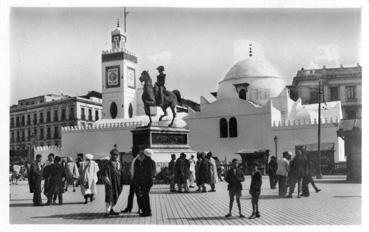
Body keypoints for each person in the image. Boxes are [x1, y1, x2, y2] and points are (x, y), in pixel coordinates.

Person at [133, 149, 156, 217]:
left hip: (144, 182)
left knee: (144, 197)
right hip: (149, 181)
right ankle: (147, 211)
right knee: (146, 196)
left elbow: (142, 173)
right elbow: (153, 173)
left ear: (145, 155)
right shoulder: (152, 162)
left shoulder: (144, 162)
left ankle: (147, 212)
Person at [101, 149, 124, 217]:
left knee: (116, 196)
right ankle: (107, 212)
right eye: (113, 155)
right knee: (109, 197)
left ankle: (112, 210)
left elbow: (121, 172)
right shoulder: (107, 164)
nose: (115, 156)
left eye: (116, 155)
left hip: (118, 183)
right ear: (111, 155)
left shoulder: (119, 163)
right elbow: (104, 174)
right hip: (110, 182)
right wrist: (108, 182)